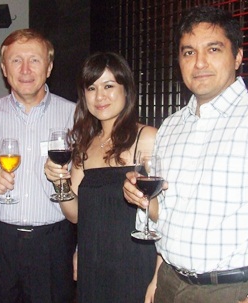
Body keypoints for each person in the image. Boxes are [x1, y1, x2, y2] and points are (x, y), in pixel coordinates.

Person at [123, 6, 248, 303]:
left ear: (237, 56)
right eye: (188, 52)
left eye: (213, 49)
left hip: (236, 290)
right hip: (170, 283)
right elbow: (168, 217)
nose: (199, 62)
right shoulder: (172, 127)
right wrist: (146, 202)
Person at [0, 29, 76, 303]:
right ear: (4, 69)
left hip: (52, 245)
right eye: (16, 61)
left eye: (35, 60)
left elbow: (88, 190)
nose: (25, 69)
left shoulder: (75, 116)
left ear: (49, 67)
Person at [44, 52, 157, 303]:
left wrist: (159, 274)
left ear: (126, 90)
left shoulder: (146, 138)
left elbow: (169, 213)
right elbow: (75, 214)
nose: (100, 96)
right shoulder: (84, 145)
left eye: (109, 86)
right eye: (92, 88)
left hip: (135, 265)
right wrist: (59, 180)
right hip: (93, 263)